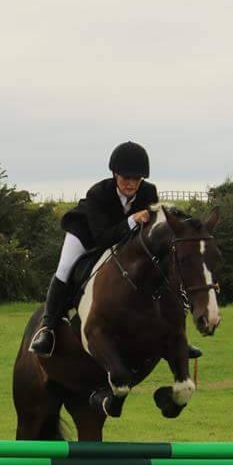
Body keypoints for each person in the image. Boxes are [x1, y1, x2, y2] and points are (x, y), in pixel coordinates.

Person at [28, 141, 159, 357]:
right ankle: (47, 328)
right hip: (86, 233)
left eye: (136, 178)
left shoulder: (149, 192)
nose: (131, 183)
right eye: (126, 178)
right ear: (115, 174)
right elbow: (102, 238)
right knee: (65, 269)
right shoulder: (98, 193)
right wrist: (133, 220)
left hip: (123, 237)